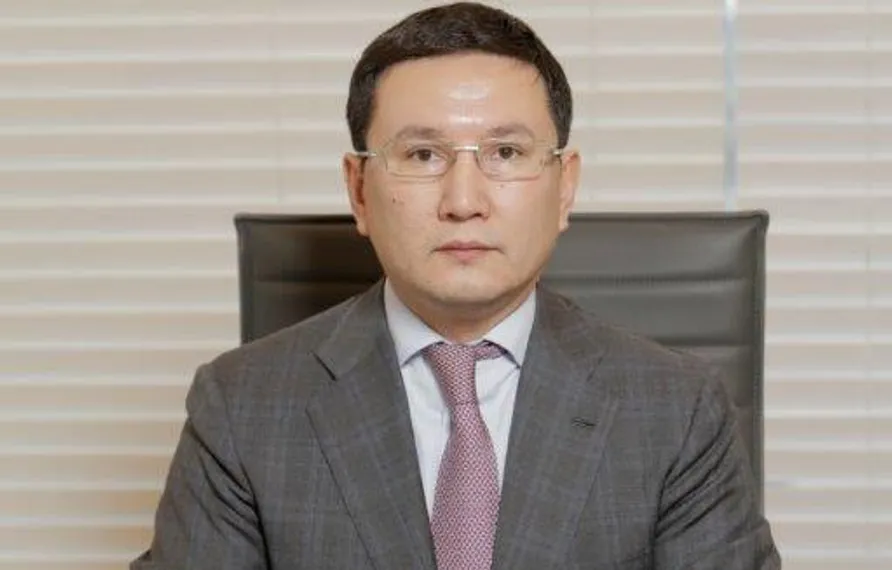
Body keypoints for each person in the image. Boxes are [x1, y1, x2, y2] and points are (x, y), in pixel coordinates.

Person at [131, 2, 781, 569]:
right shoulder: (240, 408)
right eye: (422, 155)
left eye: (506, 153)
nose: (464, 201)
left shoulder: (678, 411)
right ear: (359, 190)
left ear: (565, 186)